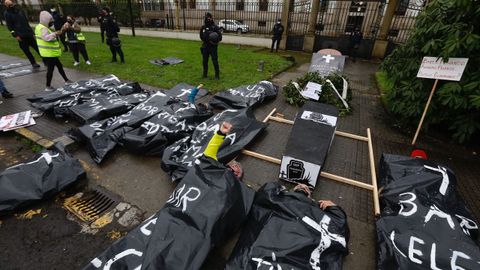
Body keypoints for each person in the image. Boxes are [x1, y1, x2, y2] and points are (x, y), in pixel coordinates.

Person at [35, 11, 72, 91]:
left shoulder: (41, 26)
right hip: (49, 54)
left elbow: (53, 32)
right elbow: (47, 38)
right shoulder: (43, 28)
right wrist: (56, 34)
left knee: (59, 66)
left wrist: (61, 29)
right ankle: (48, 86)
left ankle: (66, 80)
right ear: (45, 20)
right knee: (51, 70)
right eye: (50, 22)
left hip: (50, 53)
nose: (51, 23)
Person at [4, 0, 41, 68]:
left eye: (11, 4)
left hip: (28, 33)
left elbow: (26, 22)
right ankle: (33, 62)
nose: (11, 5)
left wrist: (32, 32)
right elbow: (9, 26)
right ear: (6, 5)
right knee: (26, 50)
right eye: (9, 5)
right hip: (20, 35)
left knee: (37, 47)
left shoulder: (19, 10)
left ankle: (46, 60)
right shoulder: (7, 14)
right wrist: (15, 35)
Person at [200, 12, 222, 80]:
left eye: (209, 18)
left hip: (213, 47)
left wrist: (214, 38)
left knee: (215, 61)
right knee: (204, 61)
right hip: (205, 46)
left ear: (212, 18)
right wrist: (208, 37)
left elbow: (220, 38)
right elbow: (201, 37)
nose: (208, 19)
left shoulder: (215, 27)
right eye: (207, 18)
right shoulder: (203, 27)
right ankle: (205, 75)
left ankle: (217, 75)